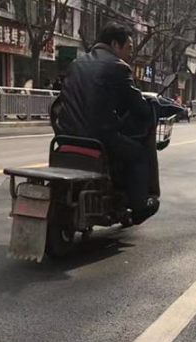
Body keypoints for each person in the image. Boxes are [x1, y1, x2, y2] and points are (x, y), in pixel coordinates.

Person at [53, 22, 157, 224]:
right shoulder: (118, 67)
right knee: (138, 154)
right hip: (100, 139)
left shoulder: (76, 63)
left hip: (66, 136)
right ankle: (139, 206)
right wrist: (150, 107)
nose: (130, 53)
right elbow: (138, 106)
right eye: (129, 48)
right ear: (115, 44)